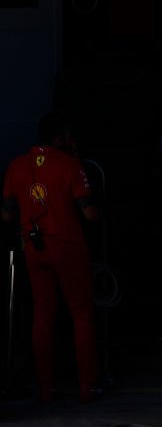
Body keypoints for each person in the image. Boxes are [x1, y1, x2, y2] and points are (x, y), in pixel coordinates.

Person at [1, 112, 101, 401]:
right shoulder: (70, 165)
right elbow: (91, 213)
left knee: (43, 314)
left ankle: (46, 387)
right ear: (60, 138)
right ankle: (86, 386)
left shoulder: (16, 166)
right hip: (68, 248)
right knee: (81, 314)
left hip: (33, 249)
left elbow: (6, 214)